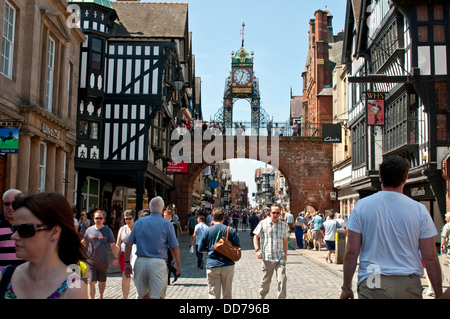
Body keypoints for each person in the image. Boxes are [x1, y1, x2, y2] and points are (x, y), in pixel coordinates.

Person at [340, 155, 443, 299]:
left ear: (380, 176)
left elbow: (351, 251)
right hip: (408, 280)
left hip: (373, 276)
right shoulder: (419, 210)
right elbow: (430, 256)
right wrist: (439, 293)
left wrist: (346, 287)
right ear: (406, 177)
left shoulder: (362, 206)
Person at [0, 192, 87, 299]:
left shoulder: (73, 289)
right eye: (14, 228)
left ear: (54, 232)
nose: (13, 236)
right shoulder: (5, 276)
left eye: (25, 229)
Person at [124, 196, 180, 299]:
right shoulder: (167, 224)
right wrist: (177, 263)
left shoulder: (139, 222)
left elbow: (128, 244)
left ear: (149, 209)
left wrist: (127, 263)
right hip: (157, 263)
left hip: (141, 262)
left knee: (143, 295)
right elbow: (174, 247)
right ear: (163, 209)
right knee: (157, 296)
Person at [198, 207, 240, 299]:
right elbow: (237, 246)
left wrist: (210, 249)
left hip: (212, 265)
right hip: (228, 265)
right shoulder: (230, 230)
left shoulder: (207, 231)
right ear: (224, 218)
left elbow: (200, 249)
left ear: (212, 218)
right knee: (227, 294)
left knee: (213, 295)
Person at [253, 204, 289, 299]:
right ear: (270, 213)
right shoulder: (263, 223)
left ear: (280, 213)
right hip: (267, 257)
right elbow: (255, 237)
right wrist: (257, 250)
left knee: (282, 279)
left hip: (280, 256)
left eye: (278, 213)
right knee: (266, 281)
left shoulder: (283, 225)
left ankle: (281, 297)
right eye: (274, 213)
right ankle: (262, 297)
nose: (276, 215)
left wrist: (285, 254)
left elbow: (285, 240)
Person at [82, 210, 119, 299]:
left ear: (103, 219)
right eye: (96, 218)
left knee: (102, 281)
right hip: (90, 261)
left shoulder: (107, 231)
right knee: (91, 282)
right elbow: (84, 243)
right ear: (93, 219)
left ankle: (101, 296)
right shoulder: (89, 230)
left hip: (103, 261)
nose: (98, 220)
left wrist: (116, 257)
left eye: (100, 218)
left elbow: (113, 245)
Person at [0, 189, 24, 271]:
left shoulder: (30, 224)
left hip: (24, 277)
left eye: (14, 204)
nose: (10, 207)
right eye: (7, 204)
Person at [115, 210, 134, 299]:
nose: (128, 221)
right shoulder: (122, 229)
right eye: (126, 219)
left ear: (133, 218)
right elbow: (118, 244)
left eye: (129, 219)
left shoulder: (137, 228)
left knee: (136, 277)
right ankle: (125, 297)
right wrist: (116, 257)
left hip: (135, 254)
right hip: (124, 254)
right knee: (126, 277)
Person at [163, 209, 181, 284]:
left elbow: (174, 236)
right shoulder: (164, 223)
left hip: (170, 246)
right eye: (163, 215)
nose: (164, 217)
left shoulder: (172, 224)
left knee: (168, 262)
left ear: (170, 215)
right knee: (167, 263)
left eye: (165, 215)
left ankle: (168, 281)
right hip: (164, 246)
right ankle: (175, 272)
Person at [441, 212, 450, 285]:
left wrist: (441, 246)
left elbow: (444, 237)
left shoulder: (447, 226)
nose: (445, 219)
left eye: (446, 217)